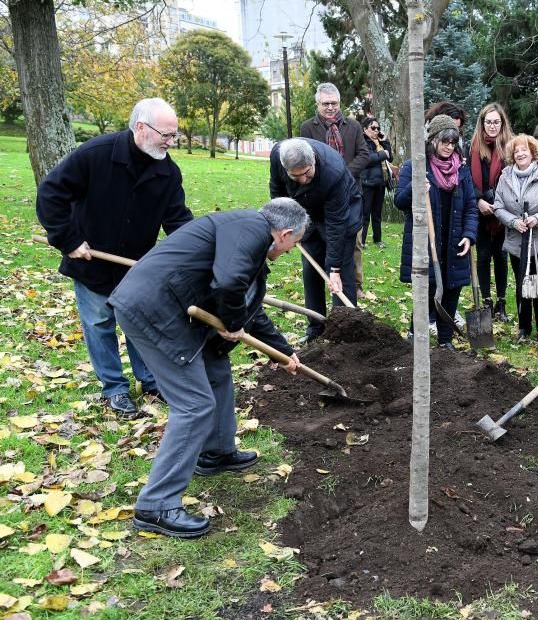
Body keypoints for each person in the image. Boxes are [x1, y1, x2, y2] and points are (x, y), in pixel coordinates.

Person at [109, 199, 308, 538]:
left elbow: (249, 308)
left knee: (217, 367)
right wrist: (230, 323)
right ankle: (155, 505)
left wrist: (283, 353)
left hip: (170, 306)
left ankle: (216, 452)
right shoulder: (250, 230)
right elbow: (229, 285)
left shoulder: (245, 235)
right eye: (294, 244)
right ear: (285, 233)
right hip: (155, 311)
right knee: (194, 406)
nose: (290, 251)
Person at [36, 97, 193, 418]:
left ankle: (150, 381)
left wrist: (196, 253)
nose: (170, 142)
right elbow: (51, 192)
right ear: (140, 128)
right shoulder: (96, 154)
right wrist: (68, 239)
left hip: (138, 267)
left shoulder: (167, 171)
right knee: (99, 324)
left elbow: (177, 220)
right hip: (91, 260)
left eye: (173, 135)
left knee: (139, 324)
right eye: (166, 134)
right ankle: (115, 388)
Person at [394, 115, 478, 351]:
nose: (449, 147)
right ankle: (415, 336)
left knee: (451, 291)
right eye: (444, 142)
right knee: (426, 291)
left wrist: (469, 235)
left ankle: (444, 340)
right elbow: (400, 202)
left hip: (453, 242)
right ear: (432, 140)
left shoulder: (461, 171)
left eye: (453, 143)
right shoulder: (415, 167)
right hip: (426, 242)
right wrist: (415, 187)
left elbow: (471, 206)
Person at [269, 137, 363, 341]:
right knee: (311, 270)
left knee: (341, 277)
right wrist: (283, 225)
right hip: (307, 214)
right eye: (296, 176)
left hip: (341, 214)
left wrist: (335, 268)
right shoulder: (277, 156)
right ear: (285, 168)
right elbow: (277, 193)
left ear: (313, 161)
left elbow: (336, 223)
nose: (303, 179)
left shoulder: (333, 170)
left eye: (307, 173)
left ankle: (342, 335)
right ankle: (315, 330)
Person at [299, 83, 370, 291]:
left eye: (334, 103)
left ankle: (355, 285)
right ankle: (323, 282)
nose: (330, 108)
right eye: (325, 104)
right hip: (319, 197)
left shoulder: (353, 126)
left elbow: (364, 154)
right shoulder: (307, 127)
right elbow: (306, 158)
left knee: (352, 243)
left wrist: (342, 175)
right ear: (317, 104)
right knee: (319, 244)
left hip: (349, 195)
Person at [493, 134, 538, 340]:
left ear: (533, 154)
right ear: (513, 156)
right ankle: (523, 328)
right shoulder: (505, 178)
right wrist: (514, 222)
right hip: (516, 242)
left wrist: (536, 219)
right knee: (522, 283)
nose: (520, 154)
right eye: (516, 151)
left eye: (525, 150)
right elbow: (498, 206)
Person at [470, 103, 514, 322]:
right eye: (489, 122)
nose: (493, 126)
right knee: (484, 256)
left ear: (502, 123)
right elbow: (468, 177)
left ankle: (502, 303)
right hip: (480, 211)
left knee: (501, 257)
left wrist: (499, 203)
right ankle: (486, 302)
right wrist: (478, 199)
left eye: (497, 122)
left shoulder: (510, 147)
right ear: (482, 123)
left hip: (503, 211)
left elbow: (515, 179)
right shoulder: (474, 148)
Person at [359, 116, 393, 249]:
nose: (376, 130)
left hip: (380, 182)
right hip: (367, 182)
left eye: (378, 128)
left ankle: (377, 239)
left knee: (377, 214)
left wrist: (385, 142)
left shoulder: (379, 142)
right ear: (365, 129)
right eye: (373, 128)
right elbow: (366, 159)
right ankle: (361, 241)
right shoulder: (362, 142)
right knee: (365, 213)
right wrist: (383, 154)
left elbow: (390, 157)